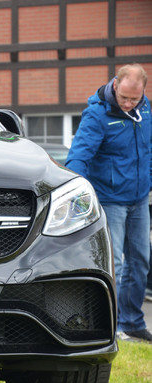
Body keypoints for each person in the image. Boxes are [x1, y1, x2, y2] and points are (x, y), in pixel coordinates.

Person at [66, 63, 152, 343]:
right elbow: (79, 157)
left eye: (134, 99)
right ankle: (110, 327)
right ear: (115, 85)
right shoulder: (97, 114)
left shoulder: (146, 111)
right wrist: (77, 194)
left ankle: (133, 322)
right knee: (112, 263)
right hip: (110, 201)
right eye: (124, 97)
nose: (128, 104)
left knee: (140, 261)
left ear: (143, 93)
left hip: (139, 200)